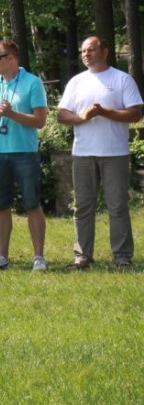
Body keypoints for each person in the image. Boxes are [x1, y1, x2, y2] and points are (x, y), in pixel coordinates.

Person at [57, 36, 142, 270]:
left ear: (105, 51)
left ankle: (122, 257)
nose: (86, 54)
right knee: (83, 206)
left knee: (117, 206)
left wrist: (105, 112)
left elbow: (135, 113)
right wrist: (83, 117)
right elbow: (62, 115)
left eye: (91, 50)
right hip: (83, 153)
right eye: (83, 51)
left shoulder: (121, 79)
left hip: (115, 153)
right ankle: (82, 256)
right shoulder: (76, 82)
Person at [0, 40, 49, 271]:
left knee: (32, 204)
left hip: (25, 152)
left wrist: (11, 113)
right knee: (1, 206)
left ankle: (39, 257)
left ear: (11, 58)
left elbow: (40, 121)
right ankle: (2, 257)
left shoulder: (33, 82)